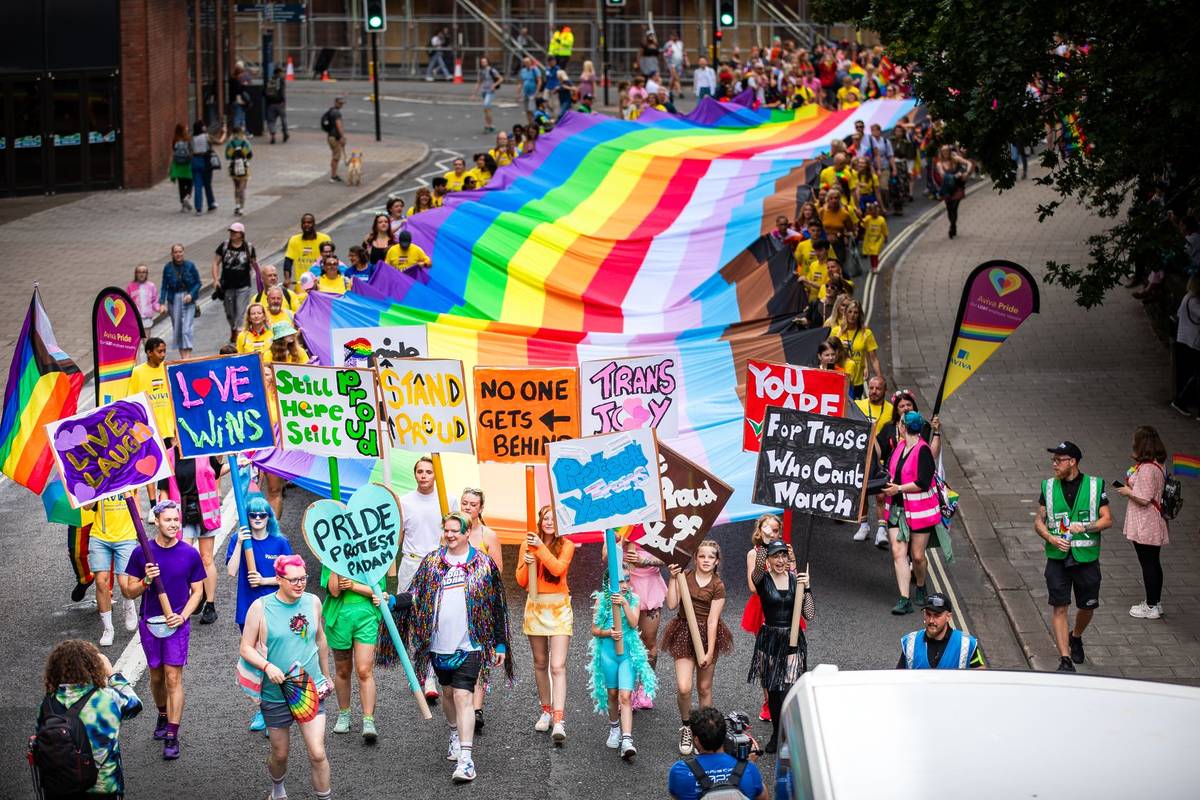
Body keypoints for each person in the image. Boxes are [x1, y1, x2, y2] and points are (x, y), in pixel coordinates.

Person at [401, 512, 513, 783]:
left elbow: (497, 606)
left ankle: (466, 759)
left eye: (455, 531)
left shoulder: (483, 564)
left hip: (471, 645)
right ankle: (454, 732)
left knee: (464, 696)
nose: (449, 535)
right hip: (439, 646)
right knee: (448, 694)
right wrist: (393, 601)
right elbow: (416, 595)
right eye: (446, 530)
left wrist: (499, 642)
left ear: (467, 533)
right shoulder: (432, 562)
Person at [239, 554, 332, 800]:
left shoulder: (313, 602)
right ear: (279, 579)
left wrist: (326, 675)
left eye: (303, 578)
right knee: (280, 754)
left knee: (318, 752)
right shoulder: (261, 608)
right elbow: (245, 647)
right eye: (293, 580)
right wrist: (267, 666)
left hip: (308, 688)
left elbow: (320, 639)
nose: (300, 584)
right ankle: (278, 789)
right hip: (275, 693)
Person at [118, 501, 206, 760]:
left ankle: (172, 734)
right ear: (156, 521)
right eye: (168, 520)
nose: (174, 524)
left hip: (176, 623)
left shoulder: (189, 554)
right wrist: (146, 580)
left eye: (176, 520)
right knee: (156, 677)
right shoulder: (141, 553)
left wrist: (182, 616)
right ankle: (163, 713)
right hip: (151, 623)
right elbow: (128, 590)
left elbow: (198, 591)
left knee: (172, 678)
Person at [1034, 441, 1113, 672]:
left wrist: (1086, 526)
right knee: (1059, 606)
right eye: (1053, 460)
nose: (1054, 464)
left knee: (1087, 606)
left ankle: (1076, 635)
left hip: (1085, 558)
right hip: (1057, 557)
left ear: (1073, 462)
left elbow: (1107, 519)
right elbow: (1039, 520)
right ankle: (1065, 659)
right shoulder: (1048, 487)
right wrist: (1049, 537)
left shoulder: (1095, 485)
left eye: (1059, 460)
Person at [35, 640, 142, 799]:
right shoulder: (107, 698)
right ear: (94, 667)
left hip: (60, 787)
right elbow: (135, 705)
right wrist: (112, 674)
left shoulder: (48, 703)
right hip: (103, 786)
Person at [224, 494, 291, 731]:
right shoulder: (239, 539)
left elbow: (292, 575)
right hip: (248, 610)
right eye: (253, 515)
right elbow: (231, 572)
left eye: (263, 514)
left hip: (275, 608)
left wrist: (265, 580)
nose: (258, 518)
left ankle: (281, 704)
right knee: (257, 661)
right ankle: (263, 710)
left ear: (269, 516)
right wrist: (241, 544)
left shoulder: (280, 542)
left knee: (276, 657)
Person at [663, 542, 733, 756]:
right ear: (695, 558)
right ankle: (686, 726)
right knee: (684, 687)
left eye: (710, 557)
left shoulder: (718, 585)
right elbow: (672, 604)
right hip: (684, 631)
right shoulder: (685, 576)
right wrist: (674, 578)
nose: (705, 560)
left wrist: (710, 651)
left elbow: (713, 621)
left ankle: (703, 734)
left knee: (704, 688)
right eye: (701, 556)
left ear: (717, 561)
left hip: (706, 634)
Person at [515, 504, 575, 744]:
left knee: (557, 665)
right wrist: (528, 560)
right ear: (540, 521)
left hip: (559, 607)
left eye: (554, 519)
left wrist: (540, 550)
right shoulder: (527, 543)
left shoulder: (567, 545)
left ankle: (559, 719)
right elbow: (522, 582)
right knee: (541, 662)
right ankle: (546, 710)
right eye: (545, 518)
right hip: (536, 605)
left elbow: (558, 569)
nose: (549, 522)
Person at [747, 540, 812, 753]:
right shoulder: (762, 579)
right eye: (776, 556)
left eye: (784, 555)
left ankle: (788, 733)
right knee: (773, 691)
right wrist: (764, 545)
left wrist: (808, 588)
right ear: (769, 559)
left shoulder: (796, 580)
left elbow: (809, 614)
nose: (780, 560)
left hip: (793, 639)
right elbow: (756, 568)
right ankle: (777, 733)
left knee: (788, 690)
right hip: (770, 638)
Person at [882, 411, 950, 615]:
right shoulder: (899, 447)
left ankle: (920, 585)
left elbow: (922, 482)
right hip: (897, 508)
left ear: (904, 427)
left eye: (900, 424)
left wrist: (899, 489)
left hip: (919, 511)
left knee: (918, 556)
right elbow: (891, 471)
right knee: (898, 552)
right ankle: (905, 599)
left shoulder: (923, 451)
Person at [322, 542, 386, 744]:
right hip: (339, 618)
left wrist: (353, 585)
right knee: (342, 670)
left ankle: (369, 720)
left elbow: (379, 591)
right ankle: (344, 714)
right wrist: (335, 563)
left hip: (366, 616)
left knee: (364, 669)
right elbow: (333, 591)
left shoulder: (372, 551)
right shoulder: (332, 554)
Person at [589, 566, 654, 762]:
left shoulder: (633, 599)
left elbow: (634, 623)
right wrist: (608, 632)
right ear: (609, 583)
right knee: (613, 694)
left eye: (627, 580)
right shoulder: (601, 600)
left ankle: (627, 740)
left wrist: (625, 603)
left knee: (626, 696)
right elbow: (594, 629)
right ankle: (614, 728)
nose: (624, 585)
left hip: (628, 654)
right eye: (619, 581)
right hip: (608, 654)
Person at [158, 441, 224, 624]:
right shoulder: (169, 456)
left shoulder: (203, 449)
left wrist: (238, 462)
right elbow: (163, 489)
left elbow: (217, 470)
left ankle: (210, 604)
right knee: (182, 558)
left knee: (206, 558)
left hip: (205, 512)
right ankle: (191, 596)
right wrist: (162, 514)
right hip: (180, 515)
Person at [396, 456, 444, 703]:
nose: (424, 475)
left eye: (428, 471)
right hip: (411, 563)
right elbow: (396, 536)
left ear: (435, 474)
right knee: (413, 618)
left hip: (436, 563)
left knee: (435, 617)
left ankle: (430, 674)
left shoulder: (447, 498)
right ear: (415, 474)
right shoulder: (403, 502)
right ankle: (422, 669)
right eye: (420, 471)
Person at [739, 514, 790, 722]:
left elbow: (792, 579)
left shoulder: (783, 553)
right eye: (767, 529)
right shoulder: (755, 553)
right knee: (767, 658)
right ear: (759, 531)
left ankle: (783, 699)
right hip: (763, 607)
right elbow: (753, 586)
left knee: (787, 656)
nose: (771, 533)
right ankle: (769, 700)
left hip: (784, 604)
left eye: (775, 530)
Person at [1117, 426, 1170, 620]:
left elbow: (1144, 498)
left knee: (1148, 563)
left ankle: (1150, 606)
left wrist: (1127, 491)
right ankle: (1155, 602)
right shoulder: (1158, 464)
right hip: (1152, 521)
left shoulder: (1147, 469)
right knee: (1153, 562)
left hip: (1145, 522)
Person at [667, 708, 766, 800]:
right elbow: (763, 797)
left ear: (696, 740)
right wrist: (747, 763)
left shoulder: (680, 770)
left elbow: (676, 795)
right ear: (725, 735)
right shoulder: (749, 769)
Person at [85, 497, 140, 647]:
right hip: (99, 537)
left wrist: (139, 530)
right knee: (101, 581)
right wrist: (93, 489)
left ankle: (128, 603)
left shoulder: (127, 474)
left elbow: (136, 499)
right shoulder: (96, 477)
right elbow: (86, 507)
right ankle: (108, 628)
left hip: (126, 536)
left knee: (125, 584)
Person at [897, 593, 984, 669]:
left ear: (948, 617)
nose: (931, 620)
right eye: (928, 614)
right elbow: (898, 678)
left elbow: (981, 679)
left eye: (937, 616)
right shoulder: (910, 642)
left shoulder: (968, 644)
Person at [855, 375, 894, 543]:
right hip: (862, 458)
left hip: (882, 460)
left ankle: (881, 530)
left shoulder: (892, 410)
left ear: (885, 390)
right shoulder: (858, 406)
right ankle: (863, 526)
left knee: (880, 495)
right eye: (871, 388)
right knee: (862, 494)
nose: (874, 391)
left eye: (878, 388)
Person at [126, 336, 176, 446]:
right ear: (149, 353)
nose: (163, 355)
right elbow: (132, 399)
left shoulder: (168, 368)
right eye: (159, 351)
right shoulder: (137, 372)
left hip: (169, 428)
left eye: (164, 351)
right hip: (148, 428)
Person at [212, 222, 257, 343]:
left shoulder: (249, 247)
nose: (232, 234)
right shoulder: (225, 246)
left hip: (243, 286)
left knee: (241, 312)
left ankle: (239, 335)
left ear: (241, 234)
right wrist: (216, 280)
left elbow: (254, 264)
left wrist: (258, 279)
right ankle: (233, 327)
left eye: (235, 232)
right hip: (227, 286)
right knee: (229, 312)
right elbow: (215, 262)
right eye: (231, 231)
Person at [160, 244, 200, 359]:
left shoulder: (190, 266)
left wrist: (191, 295)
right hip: (174, 300)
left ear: (183, 252)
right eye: (175, 252)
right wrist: (162, 303)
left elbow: (198, 283)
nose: (178, 254)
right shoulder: (168, 267)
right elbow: (164, 286)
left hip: (188, 300)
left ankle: (188, 356)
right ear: (172, 254)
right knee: (178, 329)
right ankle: (183, 357)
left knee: (186, 329)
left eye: (180, 251)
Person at [1172, 275, 1200, 416]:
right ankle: (1181, 401)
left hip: (1186, 341)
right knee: (1196, 375)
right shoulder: (1193, 301)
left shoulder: (1188, 297)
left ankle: (1182, 400)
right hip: (1191, 342)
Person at [282, 213, 332, 290]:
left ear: (314, 224)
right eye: (304, 223)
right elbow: (288, 261)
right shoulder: (294, 240)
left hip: (320, 286)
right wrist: (287, 278)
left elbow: (330, 260)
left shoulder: (324, 239)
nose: (306, 225)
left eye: (309, 222)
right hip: (301, 286)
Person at [934, 144, 972, 239]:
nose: (945, 153)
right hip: (947, 189)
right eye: (943, 151)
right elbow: (943, 175)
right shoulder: (939, 164)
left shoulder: (956, 159)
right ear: (941, 153)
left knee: (955, 207)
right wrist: (956, 175)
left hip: (957, 187)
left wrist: (966, 173)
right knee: (949, 209)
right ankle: (953, 224)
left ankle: (952, 226)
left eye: (947, 150)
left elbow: (969, 163)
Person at [190, 120, 220, 215]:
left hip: (195, 161)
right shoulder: (206, 136)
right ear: (202, 127)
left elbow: (190, 150)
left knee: (198, 186)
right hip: (205, 161)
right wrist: (224, 132)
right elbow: (218, 141)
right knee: (207, 184)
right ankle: (211, 204)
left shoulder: (192, 138)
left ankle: (198, 208)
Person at [221, 126, 253, 216]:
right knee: (242, 189)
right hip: (244, 169)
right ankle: (242, 208)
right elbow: (250, 155)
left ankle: (237, 205)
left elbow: (227, 156)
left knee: (236, 187)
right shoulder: (245, 143)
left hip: (233, 169)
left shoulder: (230, 143)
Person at [474, 56, 503, 134]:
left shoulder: (492, 70)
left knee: (486, 105)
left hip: (490, 91)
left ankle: (488, 125)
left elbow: (501, 78)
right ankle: (490, 125)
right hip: (484, 91)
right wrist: (474, 94)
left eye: (484, 62)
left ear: (488, 62)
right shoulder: (481, 71)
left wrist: (494, 85)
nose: (483, 63)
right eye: (482, 62)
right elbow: (479, 82)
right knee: (487, 109)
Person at [169, 123, 193, 212]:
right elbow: (191, 151)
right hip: (187, 165)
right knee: (190, 182)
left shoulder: (175, 140)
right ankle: (187, 196)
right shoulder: (188, 139)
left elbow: (173, 151)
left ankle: (183, 205)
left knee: (181, 185)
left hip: (178, 165)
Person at [322, 97, 347, 183]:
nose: (341, 105)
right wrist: (342, 137)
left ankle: (334, 175)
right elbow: (339, 125)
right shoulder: (336, 113)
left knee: (335, 156)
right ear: (335, 102)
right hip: (335, 137)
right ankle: (333, 176)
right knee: (336, 157)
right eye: (340, 103)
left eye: (342, 103)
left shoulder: (331, 111)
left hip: (330, 136)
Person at [128, 264, 160, 328]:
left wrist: (159, 308)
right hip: (135, 319)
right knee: (137, 337)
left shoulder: (151, 286)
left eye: (144, 272)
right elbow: (127, 302)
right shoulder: (130, 286)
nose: (141, 274)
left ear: (146, 274)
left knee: (147, 338)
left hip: (147, 318)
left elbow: (154, 301)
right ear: (136, 274)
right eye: (139, 272)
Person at [860, 202, 889, 272]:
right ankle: (873, 266)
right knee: (872, 254)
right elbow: (862, 224)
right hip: (869, 239)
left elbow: (884, 229)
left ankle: (875, 267)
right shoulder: (868, 218)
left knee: (875, 253)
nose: (874, 212)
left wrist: (886, 237)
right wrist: (863, 216)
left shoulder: (881, 220)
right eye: (872, 210)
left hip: (878, 239)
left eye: (876, 210)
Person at [264, 65, 289, 145]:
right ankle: (285, 133)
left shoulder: (270, 80)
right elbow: (282, 92)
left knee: (271, 121)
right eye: (282, 72)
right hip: (280, 104)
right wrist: (283, 101)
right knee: (283, 119)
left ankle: (273, 136)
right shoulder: (281, 81)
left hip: (271, 104)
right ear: (279, 73)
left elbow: (264, 92)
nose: (283, 74)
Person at [517, 56, 542, 128]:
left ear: (531, 62)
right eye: (525, 62)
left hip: (533, 93)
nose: (526, 63)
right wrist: (518, 93)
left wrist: (537, 92)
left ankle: (535, 125)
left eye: (528, 62)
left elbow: (539, 81)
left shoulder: (535, 70)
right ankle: (530, 124)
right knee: (527, 110)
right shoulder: (523, 71)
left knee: (533, 110)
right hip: (526, 93)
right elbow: (521, 82)